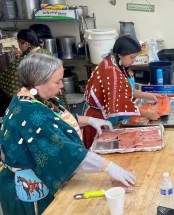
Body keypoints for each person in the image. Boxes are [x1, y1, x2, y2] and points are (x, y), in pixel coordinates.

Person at [0, 53, 136, 215]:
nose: (62, 86)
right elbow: (66, 153)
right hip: (28, 190)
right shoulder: (31, 113)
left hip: (35, 177)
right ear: (38, 82)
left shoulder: (30, 95)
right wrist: (109, 167)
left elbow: (55, 120)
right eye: (57, 81)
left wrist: (89, 120)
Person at [83, 35, 163, 149]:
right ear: (120, 55)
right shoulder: (111, 72)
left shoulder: (116, 63)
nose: (133, 61)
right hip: (98, 120)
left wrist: (148, 95)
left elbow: (125, 92)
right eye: (131, 57)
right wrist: (148, 114)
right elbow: (121, 107)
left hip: (110, 117)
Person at [0, 29, 67, 110]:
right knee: (59, 114)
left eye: (19, 43)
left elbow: (9, 78)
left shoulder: (23, 61)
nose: (19, 47)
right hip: (55, 93)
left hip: (39, 98)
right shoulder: (46, 52)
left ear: (26, 44)